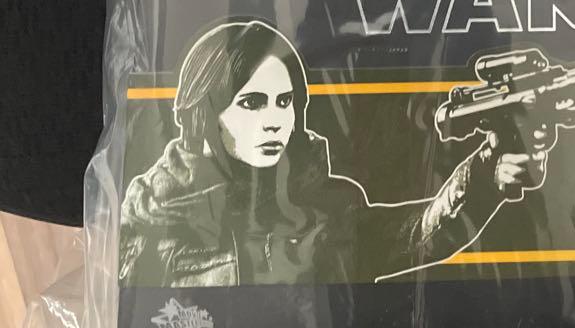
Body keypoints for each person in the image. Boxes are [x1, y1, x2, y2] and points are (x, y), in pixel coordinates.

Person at [118, 20, 545, 287]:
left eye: (284, 102)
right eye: (251, 103)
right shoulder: (152, 216)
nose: (274, 121)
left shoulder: (327, 205)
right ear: (204, 113)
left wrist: (486, 172)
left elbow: (419, 234)